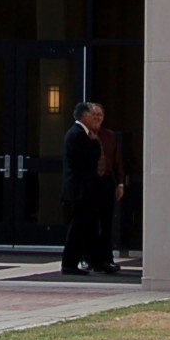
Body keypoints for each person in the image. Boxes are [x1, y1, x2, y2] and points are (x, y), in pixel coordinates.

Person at [59, 99, 105, 276]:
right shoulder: (78, 134)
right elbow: (90, 158)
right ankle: (69, 264)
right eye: (92, 115)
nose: (95, 118)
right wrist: (94, 142)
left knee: (90, 226)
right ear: (84, 116)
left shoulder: (80, 133)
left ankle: (96, 261)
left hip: (84, 190)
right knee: (78, 228)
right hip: (79, 191)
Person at [92, 106, 125, 274]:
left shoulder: (109, 136)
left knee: (106, 222)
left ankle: (107, 259)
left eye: (100, 114)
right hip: (90, 182)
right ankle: (89, 259)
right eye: (94, 114)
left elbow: (117, 161)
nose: (97, 117)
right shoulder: (84, 134)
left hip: (106, 181)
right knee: (90, 222)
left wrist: (120, 183)